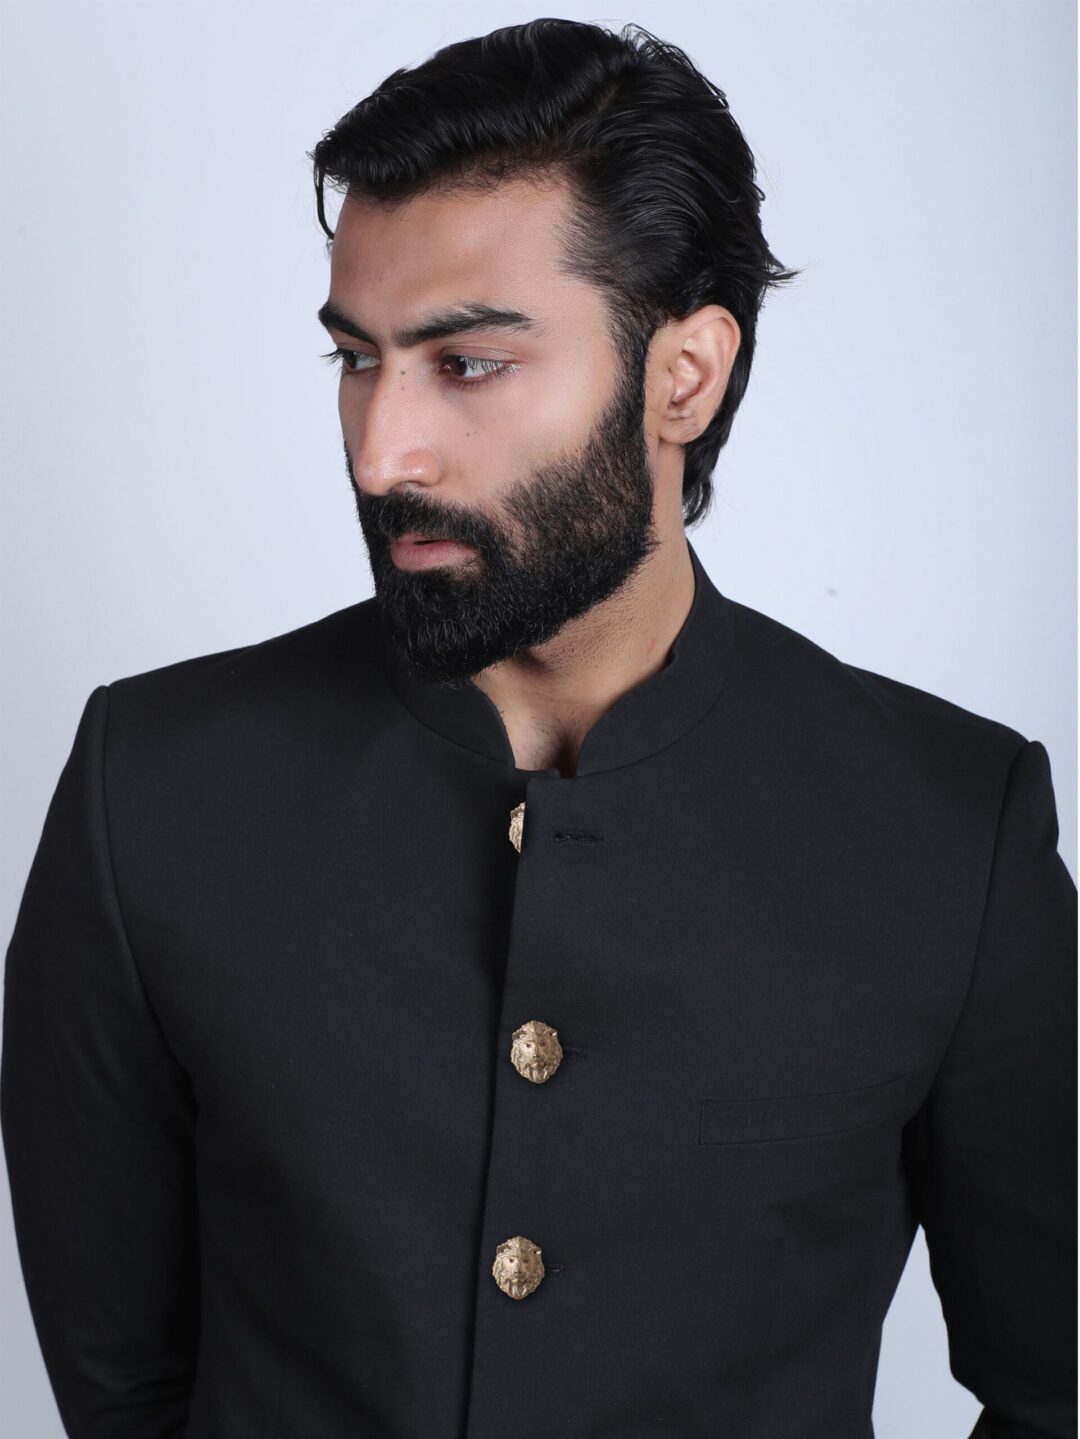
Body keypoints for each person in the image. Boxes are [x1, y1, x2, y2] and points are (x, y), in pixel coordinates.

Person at [2, 17, 1075, 1439]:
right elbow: (124, 1390)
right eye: (355, 358)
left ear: (683, 376)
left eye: (467, 363)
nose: (380, 452)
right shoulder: (152, 790)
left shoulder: (950, 828)